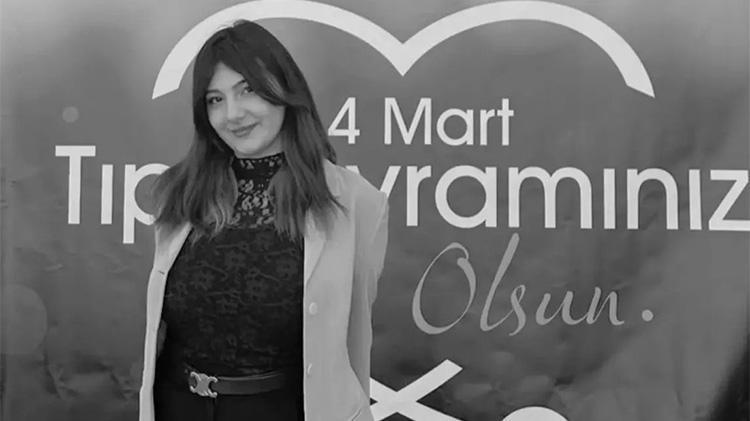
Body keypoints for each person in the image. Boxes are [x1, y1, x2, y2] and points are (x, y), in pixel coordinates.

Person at [138, 20, 389, 421]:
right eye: (215, 99)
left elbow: (352, 350)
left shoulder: (355, 202)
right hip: (179, 406)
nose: (232, 114)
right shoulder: (181, 193)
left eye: (247, 90)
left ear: (285, 89)